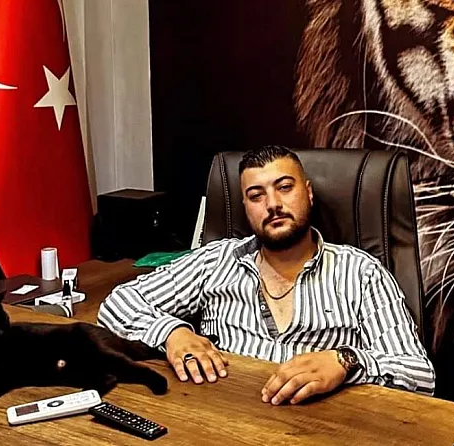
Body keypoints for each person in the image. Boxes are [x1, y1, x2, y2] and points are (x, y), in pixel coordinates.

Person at [99, 145, 435, 405]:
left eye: (284, 187)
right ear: (245, 208)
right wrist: (173, 333)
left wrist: (346, 360)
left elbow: (419, 374)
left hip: (324, 428)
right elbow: (119, 304)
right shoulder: (216, 261)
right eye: (256, 196)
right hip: (228, 420)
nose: (272, 204)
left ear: (309, 193)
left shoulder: (360, 272)